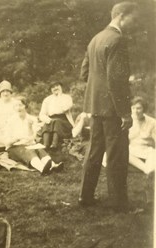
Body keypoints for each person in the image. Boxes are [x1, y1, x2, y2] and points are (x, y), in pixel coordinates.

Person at [79, 2, 139, 212]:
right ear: (122, 16)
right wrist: (125, 113)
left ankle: (85, 197)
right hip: (113, 109)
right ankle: (119, 203)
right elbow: (115, 80)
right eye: (133, 17)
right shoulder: (117, 40)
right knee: (117, 154)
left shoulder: (95, 39)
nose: (135, 22)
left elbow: (84, 74)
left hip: (95, 107)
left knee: (94, 152)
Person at [2, 97, 62, 175]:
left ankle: (53, 165)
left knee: (39, 150)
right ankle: (42, 168)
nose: (18, 108)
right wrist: (16, 139)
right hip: (14, 148)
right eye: (15, 106)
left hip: (29, 144)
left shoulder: (32, 119)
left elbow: (33, 137)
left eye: (20, 105)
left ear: (25, 106)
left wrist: (30, 128)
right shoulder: (10, 121)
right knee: (28, 151)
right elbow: (6, 142)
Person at [38, 82, 74, 149]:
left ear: (61, 87)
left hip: (64, 120)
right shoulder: (47, 99)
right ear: (51, 90)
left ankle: (54, 144)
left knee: (56, 121)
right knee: (48, 122)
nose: (55, 88)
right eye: (53, 87)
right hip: (51, 120)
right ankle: (45, 144)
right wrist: (47, 119)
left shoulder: (67, 97)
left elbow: (64, 108)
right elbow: (41, 114)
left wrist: (59, 97)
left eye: (57, 86)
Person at [128, 97, 156, 174]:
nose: (135, 111)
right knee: (124, 152)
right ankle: (146, 169)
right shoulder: (128, 121)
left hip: (146, 150)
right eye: (133, 108)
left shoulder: (152, 122)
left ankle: (148, 169)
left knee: (153, 152)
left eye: (138, 108)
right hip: (131, 151)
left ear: (144, 109)